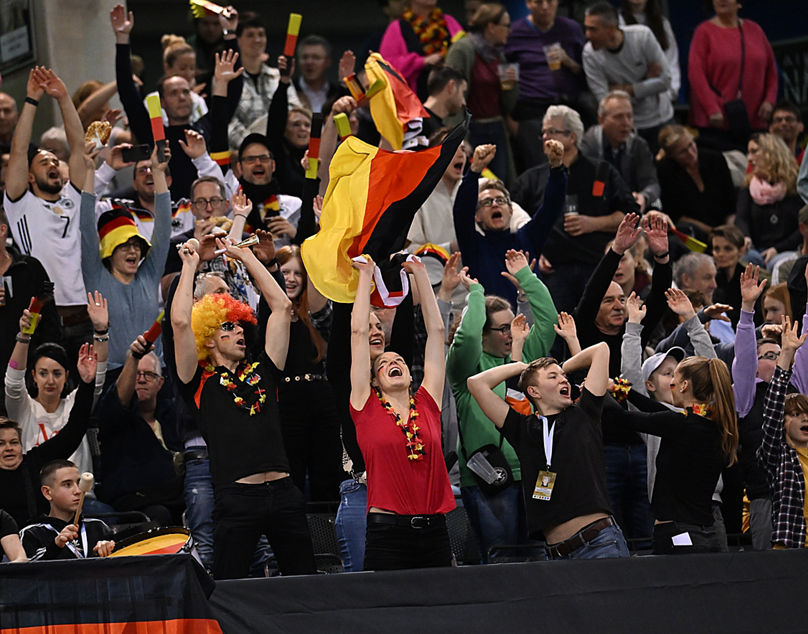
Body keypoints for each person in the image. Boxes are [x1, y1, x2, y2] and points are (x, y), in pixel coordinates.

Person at [171, 234, 316, 579]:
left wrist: (248, 257)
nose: (237, 331)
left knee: (306, 584)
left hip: (284, 493)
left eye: (239, 324)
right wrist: (190, 266)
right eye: (226, 326)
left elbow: (282, 308)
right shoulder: (198, 380)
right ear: (207, 336)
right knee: (229, 589)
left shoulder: (264, 370)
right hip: (236, 498)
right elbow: (179, 323)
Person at [446, 250, 560, 562]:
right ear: (485, 333)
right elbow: (466, 336)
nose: (512, 334)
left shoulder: (527, 357)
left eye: (514, 326)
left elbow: (549, 320)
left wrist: (526, 278)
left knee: (541, 557)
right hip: (490, 480)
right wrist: (476, 294)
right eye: (503, 329)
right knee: (502, 561)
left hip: (535, 475)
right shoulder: (466, 366)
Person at [468, 342, 630, 559]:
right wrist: (522, 367)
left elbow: (601, 350)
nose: (563, 379)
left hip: (600, 544)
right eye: (553, 377)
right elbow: (476, 383)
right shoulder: (523, 429)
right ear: (534, 391)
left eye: (563, 376)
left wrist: (562, 367)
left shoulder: (584, 414)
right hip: (556, 555)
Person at [349, 254, 455, 571]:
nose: (393, 364)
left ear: (410, 376)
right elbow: (357, 335)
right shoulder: (364, 404)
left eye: (400, 363)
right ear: (373, 379)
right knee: (388, 617)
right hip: (387, 535)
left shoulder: (427, 402)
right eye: (384, 364)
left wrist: (421, 274)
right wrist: (365, 278)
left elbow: (437, 333)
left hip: (435, 531)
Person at [511, 104, 639, 313]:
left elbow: (632, 216)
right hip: (552, 271)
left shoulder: (602, 171)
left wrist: (593, 223)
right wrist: (533, 250)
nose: (545, 137)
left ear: (572, 137)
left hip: (597, 267)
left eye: (552, 131)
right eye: (543, 132)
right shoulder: (531, 179)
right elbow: (513, 217)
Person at [4, 67, 95, 360]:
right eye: (44, 162)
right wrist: (31, 100)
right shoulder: (21, 205)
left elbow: (79, 146)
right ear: (29, 177)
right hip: (44, 318)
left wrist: (63, 97)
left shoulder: (75, 196)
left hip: (85, 317)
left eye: (56, 159)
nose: (53, 163)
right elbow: (18, 151)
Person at [606, 355, 739, 554]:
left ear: (684, 385)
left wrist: (596, 391)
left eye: (673, 379)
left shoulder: (679, 424)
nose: (671, 384)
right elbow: (657, 410)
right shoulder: (714, 425)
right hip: (709, 535)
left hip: (678, 534)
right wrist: (619, 389)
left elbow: (621, 418)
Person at [112, 4, 242, 199]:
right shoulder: (154, 135)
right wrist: (122, 39)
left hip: (206, 211)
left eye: (185, 92)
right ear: (162, 102)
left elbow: (231, 94)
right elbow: (128, 94)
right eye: (174, 93)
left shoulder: (206, 128)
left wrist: (230, 34)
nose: (182, 97)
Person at [80, 145, 171, 372]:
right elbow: (85, 227)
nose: (133, 251)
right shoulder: (96, 274)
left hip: (153, 373)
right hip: (110, 375)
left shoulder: (148, 274)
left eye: (136, 245)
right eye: (124, 246)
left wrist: (158, 173)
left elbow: (163, 228)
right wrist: (91, 171)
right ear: (110, 251)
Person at [5, 294, 108, 480]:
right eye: (43, 373)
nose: (50, 381)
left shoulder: (74, 406)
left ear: (67, 376)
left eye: (57, 373)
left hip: (83, 500)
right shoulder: (23, 409)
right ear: (33, 376)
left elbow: (96, 379)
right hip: (37, 497)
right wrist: (24, 336)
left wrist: (101, 332)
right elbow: (12, 383)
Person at [453, 139, 566, 306]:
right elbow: (461, 211)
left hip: (532, 323)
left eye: (500, 200)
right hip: (490, 326)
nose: (494, 204)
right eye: (486, 202)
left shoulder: (528, 237)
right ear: (477, 216)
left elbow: (552, 206)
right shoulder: (473, 245)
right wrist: (475, 170)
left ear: (511, 210)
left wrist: (556, 168)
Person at [0, 344, 96, 528]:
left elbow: (74, 430)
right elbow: (12, 384)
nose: (9, 448)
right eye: (1, 443)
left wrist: (86, 383)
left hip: (41, 543)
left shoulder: (35, 462)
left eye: (14, 442)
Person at [275, 245, 342, 502]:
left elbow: (323, 315)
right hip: (286, 403)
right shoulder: (268, 312)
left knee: (326, 477)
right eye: (285, 272)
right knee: (291, 479)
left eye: (298, 273)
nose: (291, 279)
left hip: (323, 400)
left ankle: (328, 538)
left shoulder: (315, 312)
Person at [96, 334, 183, 526]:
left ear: (160, 383)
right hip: (133, 503)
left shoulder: (172, 415)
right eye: (136, 374)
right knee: (159, 516)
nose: (142, 379)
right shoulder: (115, 417)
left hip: (176, 497)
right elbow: (118, 401)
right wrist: (134, 358)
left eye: (149, 375)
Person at [504, 0, 588, 171]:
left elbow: (587, 73)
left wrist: (569, 62)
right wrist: (509, 119)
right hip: (531, 111)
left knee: (575, 164)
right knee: (540, 169)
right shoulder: (514, 32)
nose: (545, 7)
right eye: (538, 2)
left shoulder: (571, 29)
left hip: (567, 106)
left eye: (549, 1)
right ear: (528, 3)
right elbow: (503, 77)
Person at [582, 2, 672, 152]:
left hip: (660, 118)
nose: (587, 35)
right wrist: (646, 82)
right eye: (586, 28)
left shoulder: (642, 36)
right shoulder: (589, 53)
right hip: (625, 127)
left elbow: (665, 81)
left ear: (611, 29)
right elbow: (606, 104)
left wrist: (625, 89)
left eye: (593, 29)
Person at [688, 0, 778, 151]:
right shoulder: (703, 32)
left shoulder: (755, 29)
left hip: (755, 120)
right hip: (718, 124)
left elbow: (772, 71)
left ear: (739, 3)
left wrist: (769, 100)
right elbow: (696, 75)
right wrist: (712, 108)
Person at [446, 2, 517, 185]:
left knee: (498, 184)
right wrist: (460, 137)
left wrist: (511, 85)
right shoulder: (463, 49)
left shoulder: (498, 55)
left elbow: (509, 104)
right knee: (475, 184)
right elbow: (450, 95)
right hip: (472, 130)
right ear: (491, 27)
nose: (509, 30)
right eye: (506, 25)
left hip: (496, 128)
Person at [0, 207, 60, 407]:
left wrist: (42, 375)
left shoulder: (30, 268)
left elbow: (51, 327)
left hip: (29, 380)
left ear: (2, 230)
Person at [757, 316, 808, 549]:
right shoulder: (778, 456)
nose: (804, 418)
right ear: (782, 422)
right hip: (792, 550)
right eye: (795, 415)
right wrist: (786, 354)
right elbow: (773, 407)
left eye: (806, 414)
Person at [227, 11, 301, 151]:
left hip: (280, 152)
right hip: (243, 155)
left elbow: (294, 111)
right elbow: (227, 120)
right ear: (238, 40)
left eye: (261, 34)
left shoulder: (279, 76)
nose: (257, 40)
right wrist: (255, 147)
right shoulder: (228, 78)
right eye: (250, 35)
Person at [580, 90, 660, 213]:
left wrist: (644, 196)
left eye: (629, 116)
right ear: (601, 120)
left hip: (632, 209)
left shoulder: (638, 144)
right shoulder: (589, 145)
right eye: (618, 117)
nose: (626, 123)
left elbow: (652, 183)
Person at [20, 459, 115, 560]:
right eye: (67, 484)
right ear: (47, 492)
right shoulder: (32, 533)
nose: (78, 491)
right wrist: (55, 546)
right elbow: (29, 570)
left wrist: (109, 548)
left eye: (79, 483)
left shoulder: (99, 527)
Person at [656, 125, 736, 240]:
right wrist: (713, 232)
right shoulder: (665, 170)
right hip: (691, 233)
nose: (691, 153)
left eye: (691, 145)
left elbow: (731, 206)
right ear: (671, 155)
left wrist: (728, 232)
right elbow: (676, 215)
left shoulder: (716, 159)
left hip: (725, 227)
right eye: (683, 152)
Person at [735, 133, 803, 268]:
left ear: (771, 152)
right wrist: (746, 237)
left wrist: (777, 249)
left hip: (788, 249)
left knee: (779, 265)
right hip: (756, 249)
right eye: (748, 153)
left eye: (754, 151)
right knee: (748, 260)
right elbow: (741, 219)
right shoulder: (748, 187)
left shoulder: (797, 187)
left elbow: (802, 228)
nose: (749, 158)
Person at [379, 0, 465, 98]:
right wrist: (422, 62)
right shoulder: (397, 27)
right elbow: (386, 65)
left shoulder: (449, 22)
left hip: (451, 95)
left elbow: (464, 52)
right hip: (416, 99)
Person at [618, 0, 680, 103]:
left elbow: (672, 61)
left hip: (663, 97)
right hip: (632, 98)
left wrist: (669, 93)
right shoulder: (617, 23)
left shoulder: (662, 23)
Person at [711, 224, 748, 327]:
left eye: (728, 249)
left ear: (741, 251)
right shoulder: (710, 279)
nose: (721, 254)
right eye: (716, 249)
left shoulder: (751, 280)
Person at [293, 35, 340, 114]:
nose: (309, 62)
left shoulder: (336, 94)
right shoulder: (289, 90)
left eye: (316, 57)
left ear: (327, 62)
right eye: (305, 57)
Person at [420, 67, 467, 139]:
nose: (464, 103)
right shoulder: (419, 126)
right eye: (462, 93)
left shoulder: (419, 122)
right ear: (451, 87)